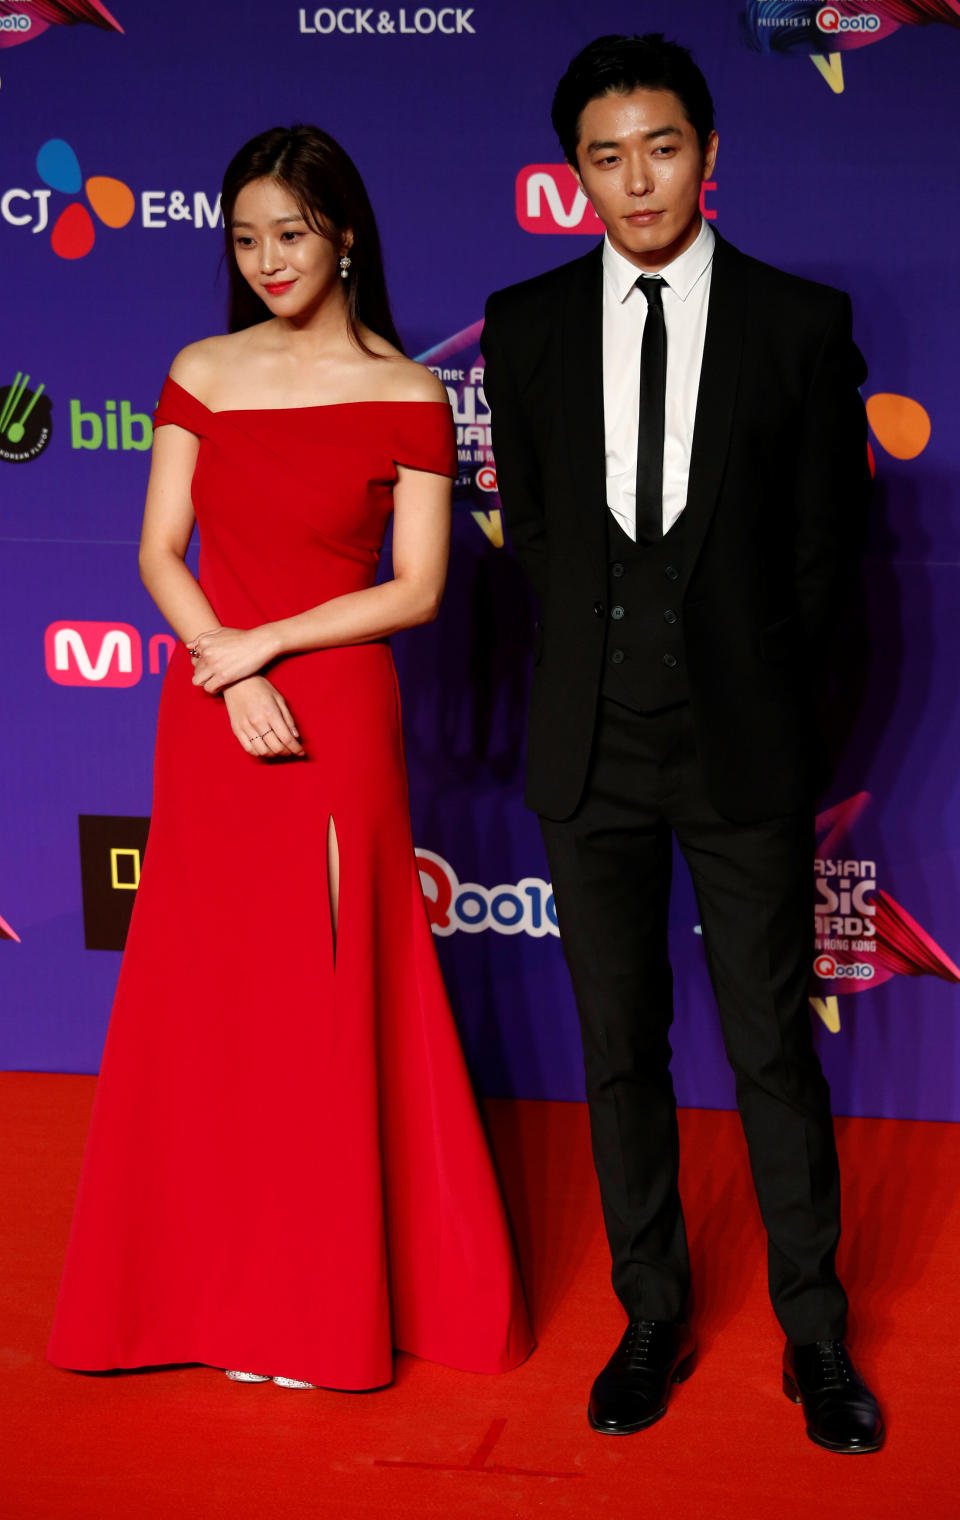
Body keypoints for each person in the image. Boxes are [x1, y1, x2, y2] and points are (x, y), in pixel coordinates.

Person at [48, 124, 532, 1393]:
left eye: (293, 234)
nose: (269, 259)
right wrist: (228, 656)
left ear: (347, 236)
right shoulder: (202, 368)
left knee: (326, 994)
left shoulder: (410, 391)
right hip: (214, 701)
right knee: (213, 995)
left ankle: (321, 1302)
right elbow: (161, 551)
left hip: (336, 710)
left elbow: (420, 586)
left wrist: (269, 644)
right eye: (248, 237)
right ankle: (201, 1289)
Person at [481, 34, 883, 1451]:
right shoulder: (521, 328)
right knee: (618, 1048)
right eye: (606, 153)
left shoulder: (798, 323)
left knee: (774, 1047)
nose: (636, 177)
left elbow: (838, 565)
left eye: (660, 145)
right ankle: (652, 1312)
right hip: (589, 754)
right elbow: (531, 537)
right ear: (574, 170)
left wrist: (786, 733)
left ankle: (815, 1334)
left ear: (709, 156)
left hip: (746, 759)